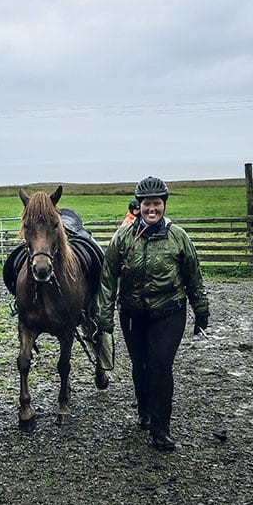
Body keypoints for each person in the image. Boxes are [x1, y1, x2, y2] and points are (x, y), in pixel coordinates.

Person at [96, 176, 209, 452]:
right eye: (147, 204)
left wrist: (201, 308)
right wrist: (104, 319)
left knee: (160, 365)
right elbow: (108, 278)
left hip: (169, 311)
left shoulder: (177, 236)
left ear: (163, 205)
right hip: (133, 313)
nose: (152, 209)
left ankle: (161, 428)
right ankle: (144, 410)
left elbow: (193, 274)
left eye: (157, 204)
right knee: (140, 364)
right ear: (139, 205)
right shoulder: (122, 237)